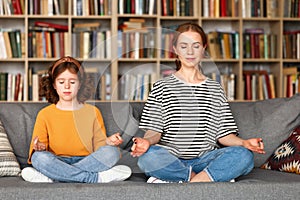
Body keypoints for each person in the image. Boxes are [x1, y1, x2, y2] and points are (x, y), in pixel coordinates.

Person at [130, 23, 265, 183]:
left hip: (205, 160)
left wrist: (244, 143)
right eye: (184, 46)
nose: (190, 52)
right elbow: (154, 131)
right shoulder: (162, 87)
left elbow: (223, 135)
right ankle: (202, 180)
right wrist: (146, 142)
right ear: (175, 49)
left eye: (196, 46)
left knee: (244, 155)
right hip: (171, 160)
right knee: (148, 158)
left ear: (203, 49)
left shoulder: (214, 89)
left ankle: (184, 181)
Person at [21, 56, 131, 183]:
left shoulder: (93, 112)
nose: (67, 86)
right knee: (38, 158)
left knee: (112, 152)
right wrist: (39, 147)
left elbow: (99, 146)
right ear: (54, 85)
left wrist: (109, 142)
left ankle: (54, 177)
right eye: (61, 82)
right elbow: (38, 149)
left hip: (88, 160)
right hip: (57, 160)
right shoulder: (44, 114)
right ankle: (94, 178)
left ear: (80, 84)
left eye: (72, 82)